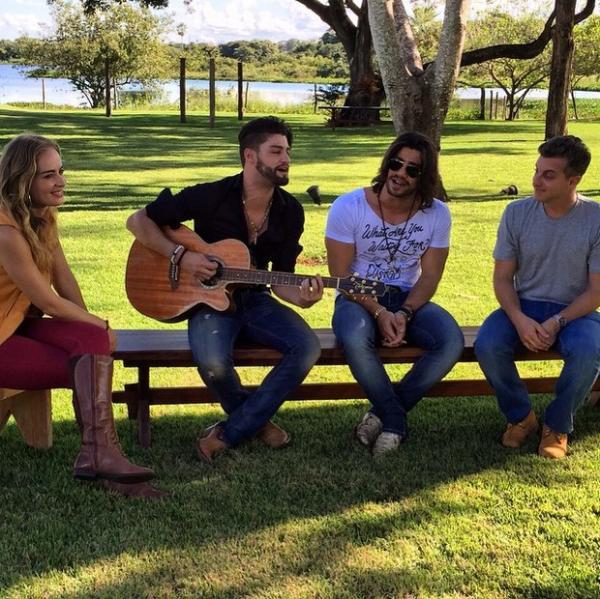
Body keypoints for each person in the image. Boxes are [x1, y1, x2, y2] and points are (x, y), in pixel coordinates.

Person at [127, 116, 323, 464]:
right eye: (276, 151)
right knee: (214, 362)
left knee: (306, 347)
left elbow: (282, 279)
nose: (285, 159)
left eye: (288, 151)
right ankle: (257, 423)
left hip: (256, 300)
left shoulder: (290, 210)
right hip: (207, 301)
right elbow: (137, 221)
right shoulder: (213, 195)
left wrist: (304, 298)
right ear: (250, 156)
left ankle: (232, 431)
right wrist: (182, 257)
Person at [0, 133, 157, 497]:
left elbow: (63, 277)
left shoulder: (41, 217)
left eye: (61, 171)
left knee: (91, 347)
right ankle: (102, 458)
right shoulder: (7, 232)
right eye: (48, 175)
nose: (60, 182)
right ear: (23, 181)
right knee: (86, 366)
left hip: (18, 327)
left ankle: (99, 454)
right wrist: (99, 327)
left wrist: (93, 331)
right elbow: (51, 303)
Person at [325, 131, 464, 457]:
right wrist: (379, 312)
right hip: (357, 298)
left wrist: (403, 313)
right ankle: (395, 422)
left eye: (412, 170)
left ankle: (382, 414)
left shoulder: (437, 214)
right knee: (356, 340)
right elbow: (341, 277)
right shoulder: (349, 206)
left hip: (406, 297)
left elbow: (430, 276)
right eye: (396, 164)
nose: (400, 173)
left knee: (451, 341)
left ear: (424, 176)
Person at [474, 135, 600, 459]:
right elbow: (502, 279)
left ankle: (557, 425)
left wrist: (557, 322)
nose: (536, 180)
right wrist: (519, 320)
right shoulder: (516, 213)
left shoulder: (595, 218)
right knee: (487, 344)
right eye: (536, 170)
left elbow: (595, 291)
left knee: (589, 351)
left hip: (576, 312)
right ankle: (521, 418)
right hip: (524, 304)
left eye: (548, 175)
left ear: (573, 180)